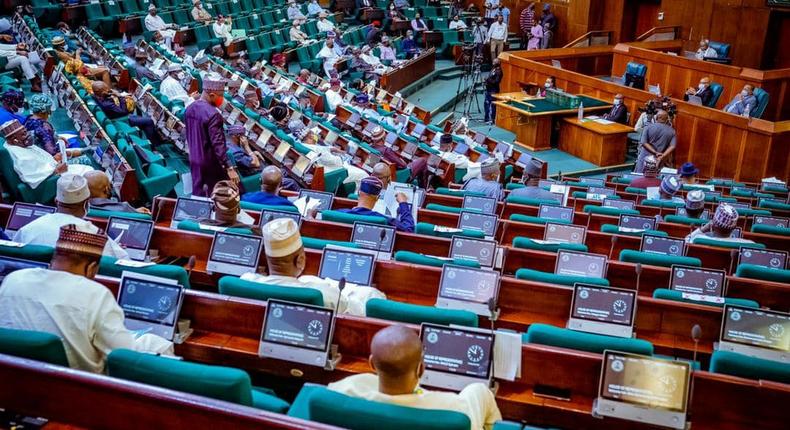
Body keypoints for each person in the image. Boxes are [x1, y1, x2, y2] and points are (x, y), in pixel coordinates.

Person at [0, 225, 173, 373]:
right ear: (91, 268)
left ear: (53, 259)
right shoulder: (95, 295)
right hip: (76, 391)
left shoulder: (15, 279)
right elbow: (124, 356)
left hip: (12, 380)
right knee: (159, 345)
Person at [328, 325, 502, 430]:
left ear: (372, 364)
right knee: (479, 390)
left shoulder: (340, 391)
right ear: (421, 369)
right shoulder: (456, 412)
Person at [241, 218, 385, 315]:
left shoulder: (245, 281)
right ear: (300, 261)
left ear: (267, 258)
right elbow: (363, 310)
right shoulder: (324, 295)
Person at [13, 174, 128, 259]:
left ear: (56, 201)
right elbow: (123, 261)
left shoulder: (28, 228)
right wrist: (114, 248)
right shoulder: (96, 236)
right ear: (86, 202)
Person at [185, 76, 239, 196]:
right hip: (210, 163)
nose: (222, 99)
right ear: (212, 95)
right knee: (222, 195)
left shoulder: (189, 108)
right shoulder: (213, 114)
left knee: (199, 193)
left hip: (194, 158)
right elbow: (218, 144)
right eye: (221, 96)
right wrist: (229, 167)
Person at [1, 119, 93, 189]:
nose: (28, 135)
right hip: (51, 181)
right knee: (88, 172)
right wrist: (56, 171)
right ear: (14, 139)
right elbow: (34, 178)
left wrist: (53, 159)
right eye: (24, 134)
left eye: (26, 131)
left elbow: (39, 162)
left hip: (55, 167)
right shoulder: (21, 157)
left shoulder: (17, 144)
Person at [24, 94, 91, 164]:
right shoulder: (44, 127)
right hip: (46, 162)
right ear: (46, 110)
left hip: (35, 155)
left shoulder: (28, 119)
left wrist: (56, 137)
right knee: (86, 160)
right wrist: (73, 153)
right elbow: (54, 154)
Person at [92, 82, 162, 147]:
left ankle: (156, 140)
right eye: (106, 89)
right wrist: (120, 97)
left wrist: (110, 96)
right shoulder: (107, 104)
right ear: (102, 92)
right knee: (149, 121)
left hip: (115, 115)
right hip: (120, 119)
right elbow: (124, 111)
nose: (108, 90)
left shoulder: (95, 96)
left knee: (142, 119)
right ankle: (152, 145)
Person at [338, 176, 415, 232]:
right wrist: (403, 203)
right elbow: (408, 229)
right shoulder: (384, 220)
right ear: (377, 198)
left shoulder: (338, 213)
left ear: (358, 193)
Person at [85, 170, 149, 214]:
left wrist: (134, 211)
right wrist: (135, 212)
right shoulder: (123, 208)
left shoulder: (82, 208)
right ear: (106, 190)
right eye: (110, 185)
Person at [685, 204, 753, 244]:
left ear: (713, 225)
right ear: (733, 228)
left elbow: (686, 240)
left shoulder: (698, 239)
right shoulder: (748, 244)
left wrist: (703, 229)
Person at [484, 58, 502, 124]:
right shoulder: (493, 69)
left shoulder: (499, 71)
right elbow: (490, 78)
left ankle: (492, 119)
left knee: (492, 106)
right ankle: (486, 118)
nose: (493, 63)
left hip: (493, 91)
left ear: (498, 63)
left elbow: (496, 82)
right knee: (486, 104)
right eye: (493, 62)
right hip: (488, 89)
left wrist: (488, 80)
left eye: (494, 62)